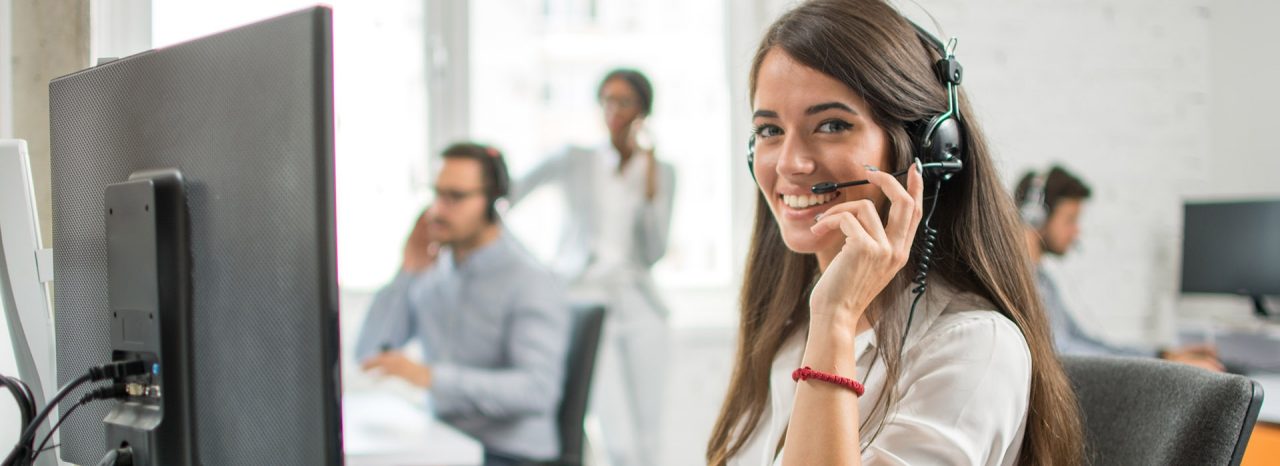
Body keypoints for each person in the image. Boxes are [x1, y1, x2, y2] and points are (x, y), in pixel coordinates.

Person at [705, 1, 1084, 464]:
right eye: (769, 130)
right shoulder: (788, 328)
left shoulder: (974, 348)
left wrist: (836, 316)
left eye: (831, 125)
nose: (789, 163)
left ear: (925, 148)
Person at [355, 143, 570, 466]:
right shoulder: (432, 272)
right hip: (444, 445)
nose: (438, 211)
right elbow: (370, 354)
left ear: (493, 200)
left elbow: (538, 390)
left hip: (509, 454)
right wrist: (406, 273)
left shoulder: (530, 280)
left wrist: (433, 378)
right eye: (437, 194)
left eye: (455, 197)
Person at [508, 69, 676, 466]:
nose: (613, 110)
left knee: (649, 442)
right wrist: (542, 270)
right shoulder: (575, 160)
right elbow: (508, 196)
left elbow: (654, 252)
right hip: (586, 302)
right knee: (621, 444)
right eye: (606, 100)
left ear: (643, 110)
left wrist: (649, 185)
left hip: (640, 307)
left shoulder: (662, 172)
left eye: (624, 101)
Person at [1014, 166, 1223, 371]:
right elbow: (1064, 354)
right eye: (1070, 220)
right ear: (1035, 216)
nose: (1076, 232)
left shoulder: (1044, 282)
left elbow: (1084, 342)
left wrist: (1162, 355)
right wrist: (1164, 368)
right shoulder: (1021, 284)